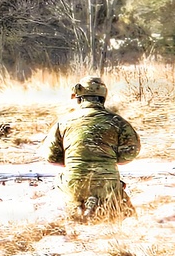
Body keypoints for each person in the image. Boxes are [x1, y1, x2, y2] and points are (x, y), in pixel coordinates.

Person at [40, 76, 140, 221]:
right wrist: (107, 158)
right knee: (128, 218)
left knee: (61, 184)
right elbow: (130, 153)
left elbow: (51, 156)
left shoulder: (63, 123)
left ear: (79, 98)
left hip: (74, 182)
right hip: (107, 183)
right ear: (103, 97)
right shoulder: (118, 122)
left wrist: (75, 160)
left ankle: (77, 209)